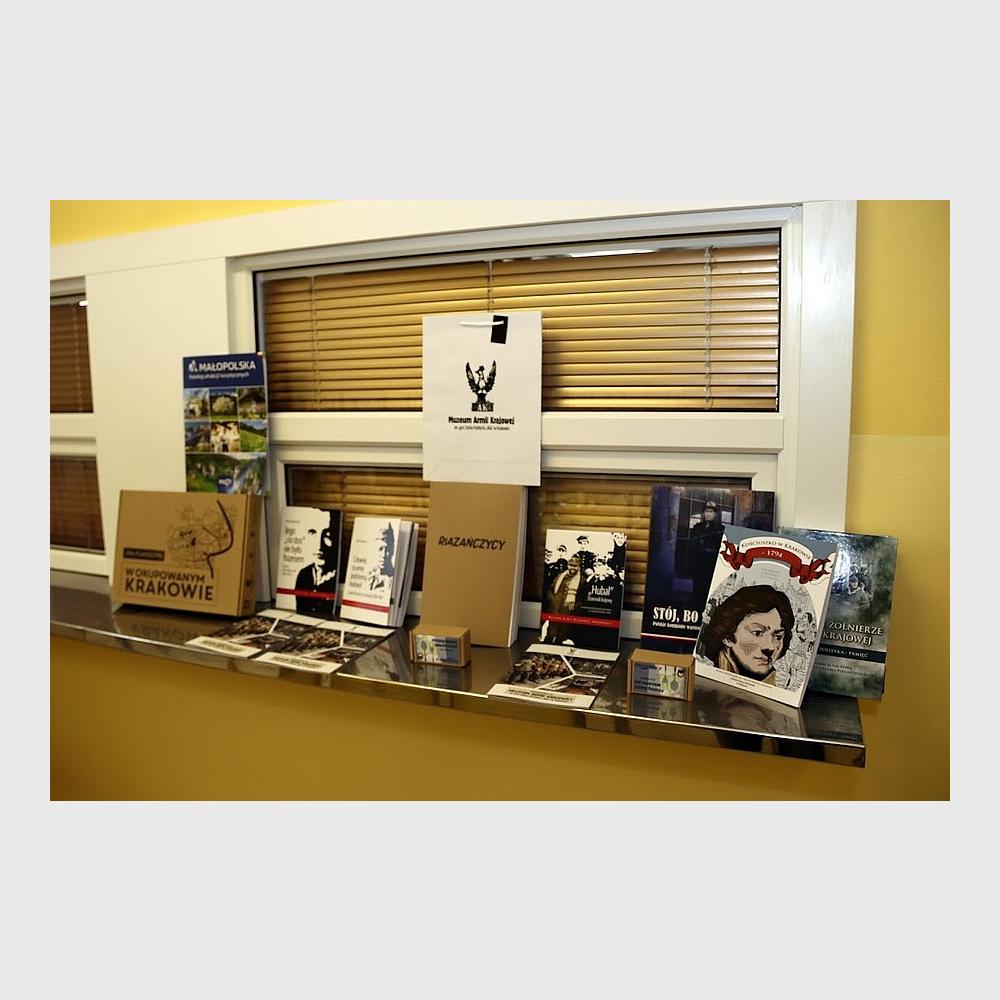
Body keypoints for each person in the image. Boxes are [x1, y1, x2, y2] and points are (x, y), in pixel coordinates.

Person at [697, 584, 794, 684]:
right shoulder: (703, 669)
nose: (770, 647)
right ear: (728, 637)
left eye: (778, 637)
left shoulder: (777, 682)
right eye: (757, 633)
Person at [294, 527, 338, 614]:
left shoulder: (337, 577)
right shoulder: (303, 575)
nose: (319, 546)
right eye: (313, 534)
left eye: (327, 536)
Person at [688, 501, 725, 600]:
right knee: (697, 588)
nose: (708, 514)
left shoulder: (720, 529)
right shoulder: (697, 527)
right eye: (706, 511)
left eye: (711, 512)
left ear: (715, 514)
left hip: (711, 564)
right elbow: (691, 545)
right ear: (704, 513)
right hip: (698, 563)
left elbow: (722, 548)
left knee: (708, 590)